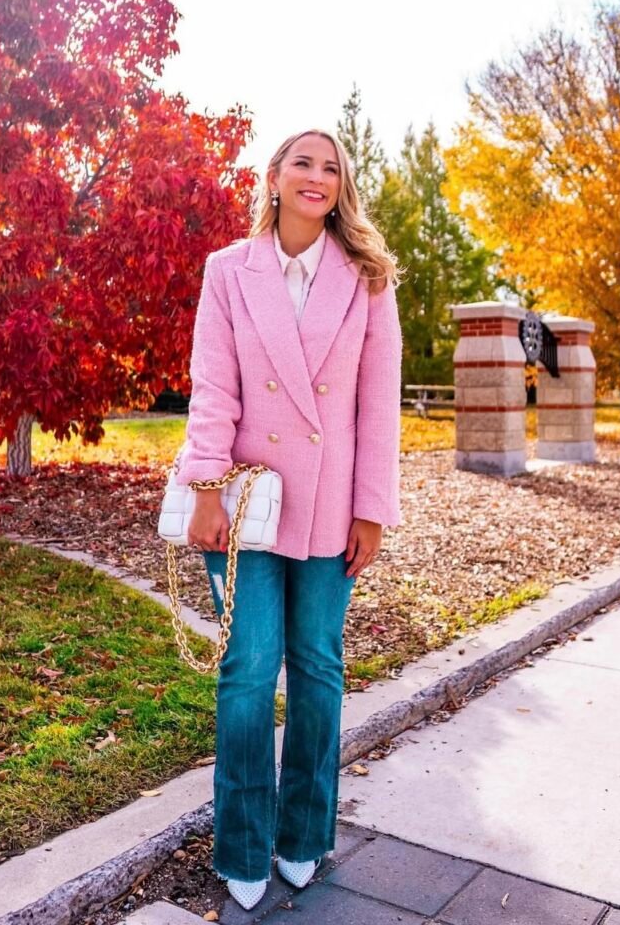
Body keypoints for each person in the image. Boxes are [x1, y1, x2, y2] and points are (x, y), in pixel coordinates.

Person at [174, 127, 403, 911]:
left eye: (331, 167)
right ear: (272, 177)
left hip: (331, 504)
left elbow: (378, 406)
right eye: (302, 163)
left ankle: (302, 836)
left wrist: (371, 509)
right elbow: (213, 385)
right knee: (246, 671)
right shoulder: (227, 272)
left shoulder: (367, 278)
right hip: (244, 504)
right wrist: (204, 486)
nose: (316, 177)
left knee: (317, 668)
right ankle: (240, 845)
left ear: (342, 187)